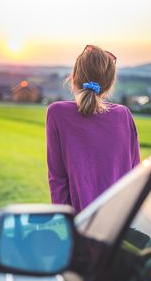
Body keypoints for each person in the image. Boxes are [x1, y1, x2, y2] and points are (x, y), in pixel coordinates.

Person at [46, 44, 140, 214]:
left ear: (74, 76)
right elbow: (136, 176)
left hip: (79, 222)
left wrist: (64, 220)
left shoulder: (56, 113)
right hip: (118, 224)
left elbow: (57, 178)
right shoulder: (124, 115)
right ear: (109, 82)